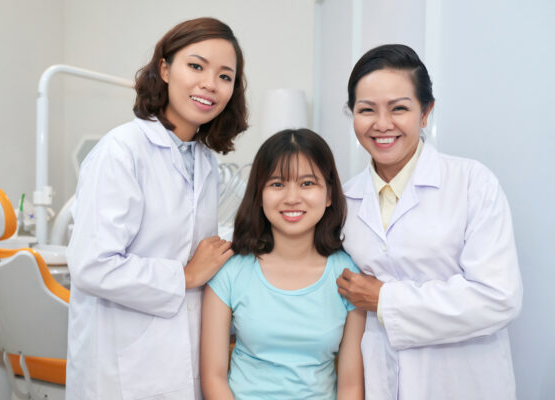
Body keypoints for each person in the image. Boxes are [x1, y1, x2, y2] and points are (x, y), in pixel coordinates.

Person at [65, 17, 248, 400]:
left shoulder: (204, 160)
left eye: (225, 76)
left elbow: (189, 248)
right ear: (165, 69)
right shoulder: (122, 150)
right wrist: (183, 276)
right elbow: (92, 266)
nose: (209, 84)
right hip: (122, 363)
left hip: (182, 353)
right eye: (196, 66)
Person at [336, 44, 523, 399]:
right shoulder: (343, 201)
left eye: (399, 108)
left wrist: (385, 299)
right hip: (380, 383)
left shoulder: (471, 183)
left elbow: (499, 298)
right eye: (366, 110)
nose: (382, 124)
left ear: (425, 113)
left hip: (464, 383)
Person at [200, 129, 366, 400]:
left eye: (307, 183)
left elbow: (350, 385)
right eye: (277, 184)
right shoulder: (229, 271)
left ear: (329, 195)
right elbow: (213, 377)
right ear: (259, 194)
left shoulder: (348, 277)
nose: (292, 198)